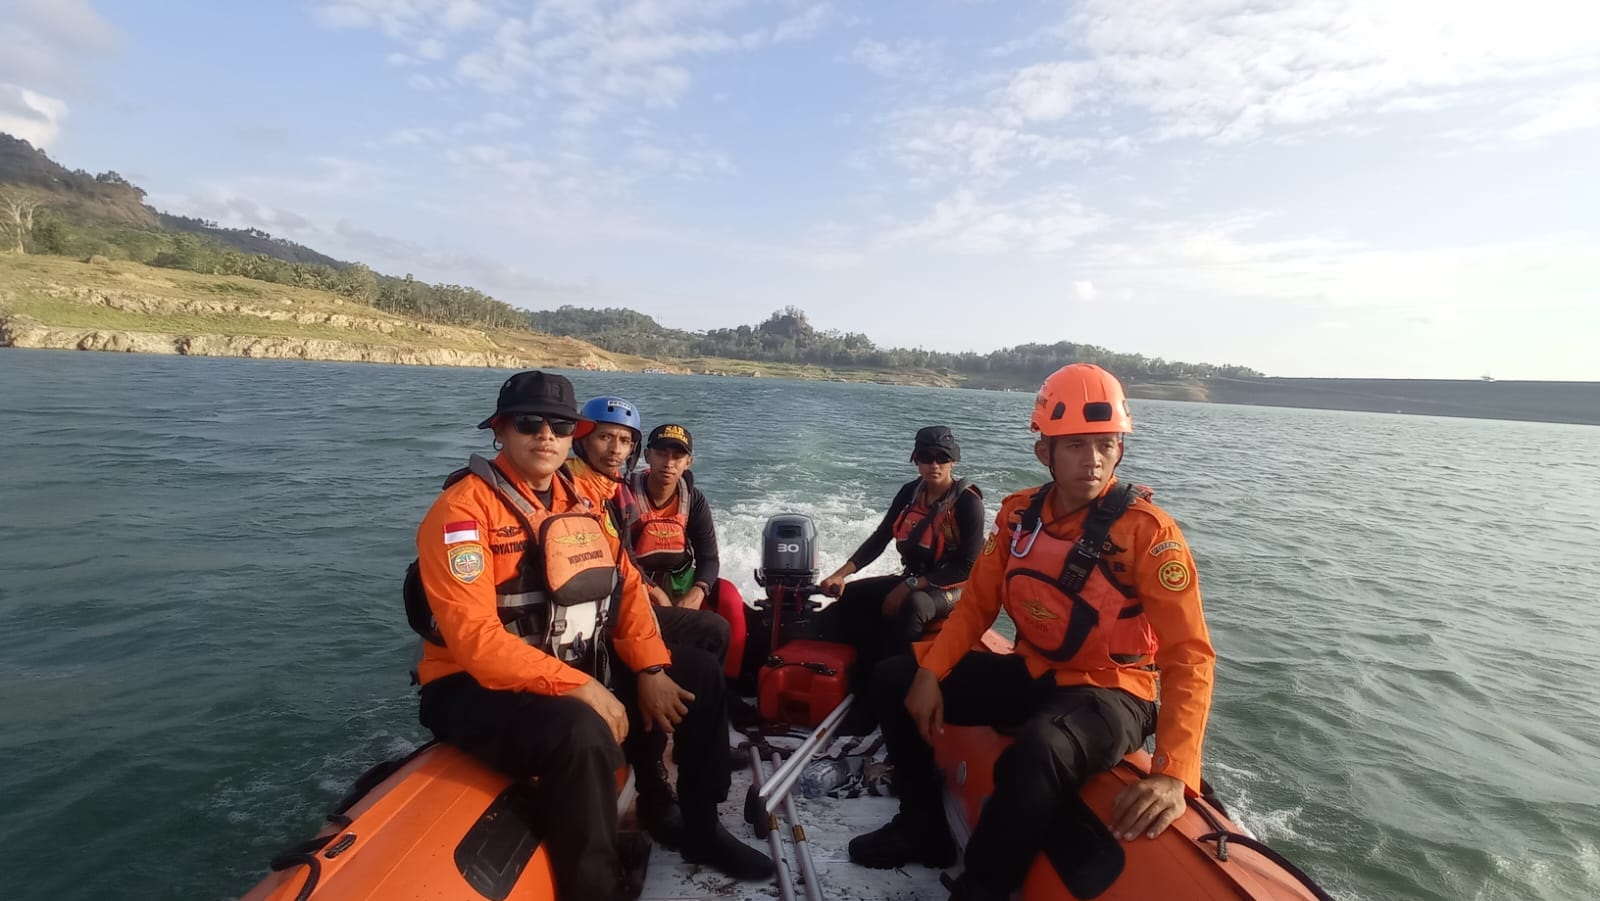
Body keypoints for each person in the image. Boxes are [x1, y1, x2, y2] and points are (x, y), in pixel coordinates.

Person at [845, 364, 1216, 901]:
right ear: (1045, 452)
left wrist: (1174, 771)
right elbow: (975, 606)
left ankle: (982, 888)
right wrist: (930, 671)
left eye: (1106, 445)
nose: (1092, 460)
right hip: (1035, 671)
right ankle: (922, 829)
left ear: (1120, 450)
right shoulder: (1020, 516)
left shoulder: (1148, 534)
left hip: (1113, 691)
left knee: (1040, 748)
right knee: (892, 677)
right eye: (1075, 446)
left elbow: (1189, 655)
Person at [408, 371, 771, 901]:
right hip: (474, 684)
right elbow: (474, 642)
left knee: (697, 674)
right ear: (500, 431)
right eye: (529, 422)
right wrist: (579, 686)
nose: (546, 435)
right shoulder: (462, 513)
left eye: (558, 424)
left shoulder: (582, 501)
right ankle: (596, 886)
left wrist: (649, 669)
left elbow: (623, 592)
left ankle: (700, 824)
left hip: (566, 659)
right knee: (580, 732)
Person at [565, 395, 732, 849]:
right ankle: (656, 768)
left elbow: (709, 557)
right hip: (607, 618)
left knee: (716, 630)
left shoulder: (687, 500)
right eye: (605, 438)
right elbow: (625, 568)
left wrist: (697, 593)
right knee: (696, 663)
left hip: (633, 605)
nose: (615, 450)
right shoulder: (604, 495)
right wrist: (650, 659)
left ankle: (688, 734)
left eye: (624, 441)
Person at [818, 425, 985, 725]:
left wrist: (910, 586)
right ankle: (861, 681)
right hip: (916, 577)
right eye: (926, 457)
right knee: (853, 596)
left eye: (942, 458)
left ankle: (890, 694)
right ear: (916, 459)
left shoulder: (967, 503)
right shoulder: (910, 493)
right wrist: (840, 575)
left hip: (955, 585)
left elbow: (967, 566)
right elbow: (880, 538)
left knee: (915, 606)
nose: (934, 465)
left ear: (953, 462)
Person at [629, 423, 752, 681]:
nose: (669, 463)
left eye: (678, 456)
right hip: (636, 584)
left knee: (729, 598)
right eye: (662, 453)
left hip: (680, 580)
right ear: (648, 455)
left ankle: (728, 683)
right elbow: (618, 556)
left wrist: (698, 592)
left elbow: (709, 557)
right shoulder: (624, 494)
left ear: (689, 462)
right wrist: (653, 590)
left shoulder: (693, 500)